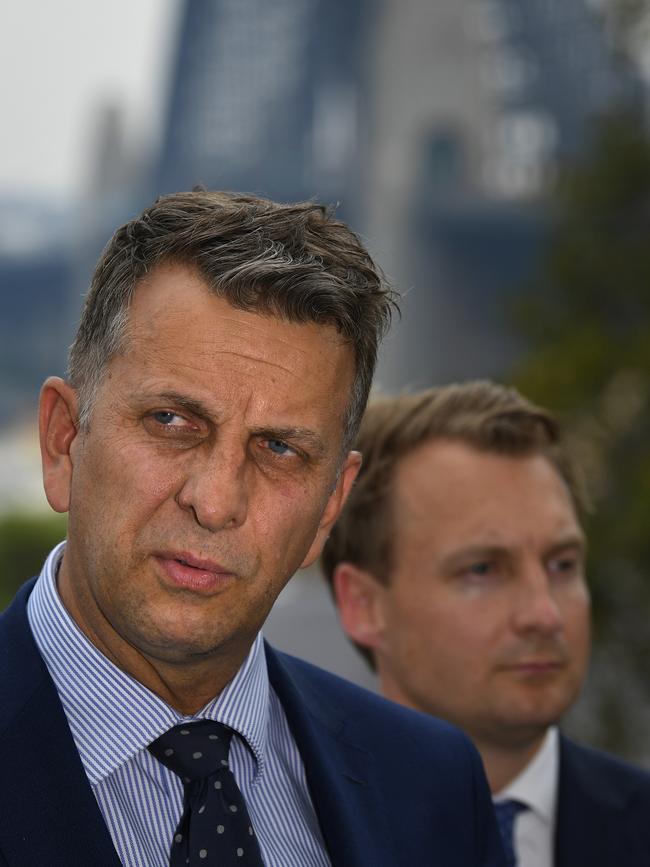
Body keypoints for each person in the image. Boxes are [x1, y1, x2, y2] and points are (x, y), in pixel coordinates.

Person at [0, 192, 505, 867]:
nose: (215, 501)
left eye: (279, 449)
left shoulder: (435, 788)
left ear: (330, 505)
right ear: (64, 442)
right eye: (172, 421)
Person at [322, 381, 650, 867]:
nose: (544, 615)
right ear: (365, 606)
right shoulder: (288, 837)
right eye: (483, 570)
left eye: (561, 565)